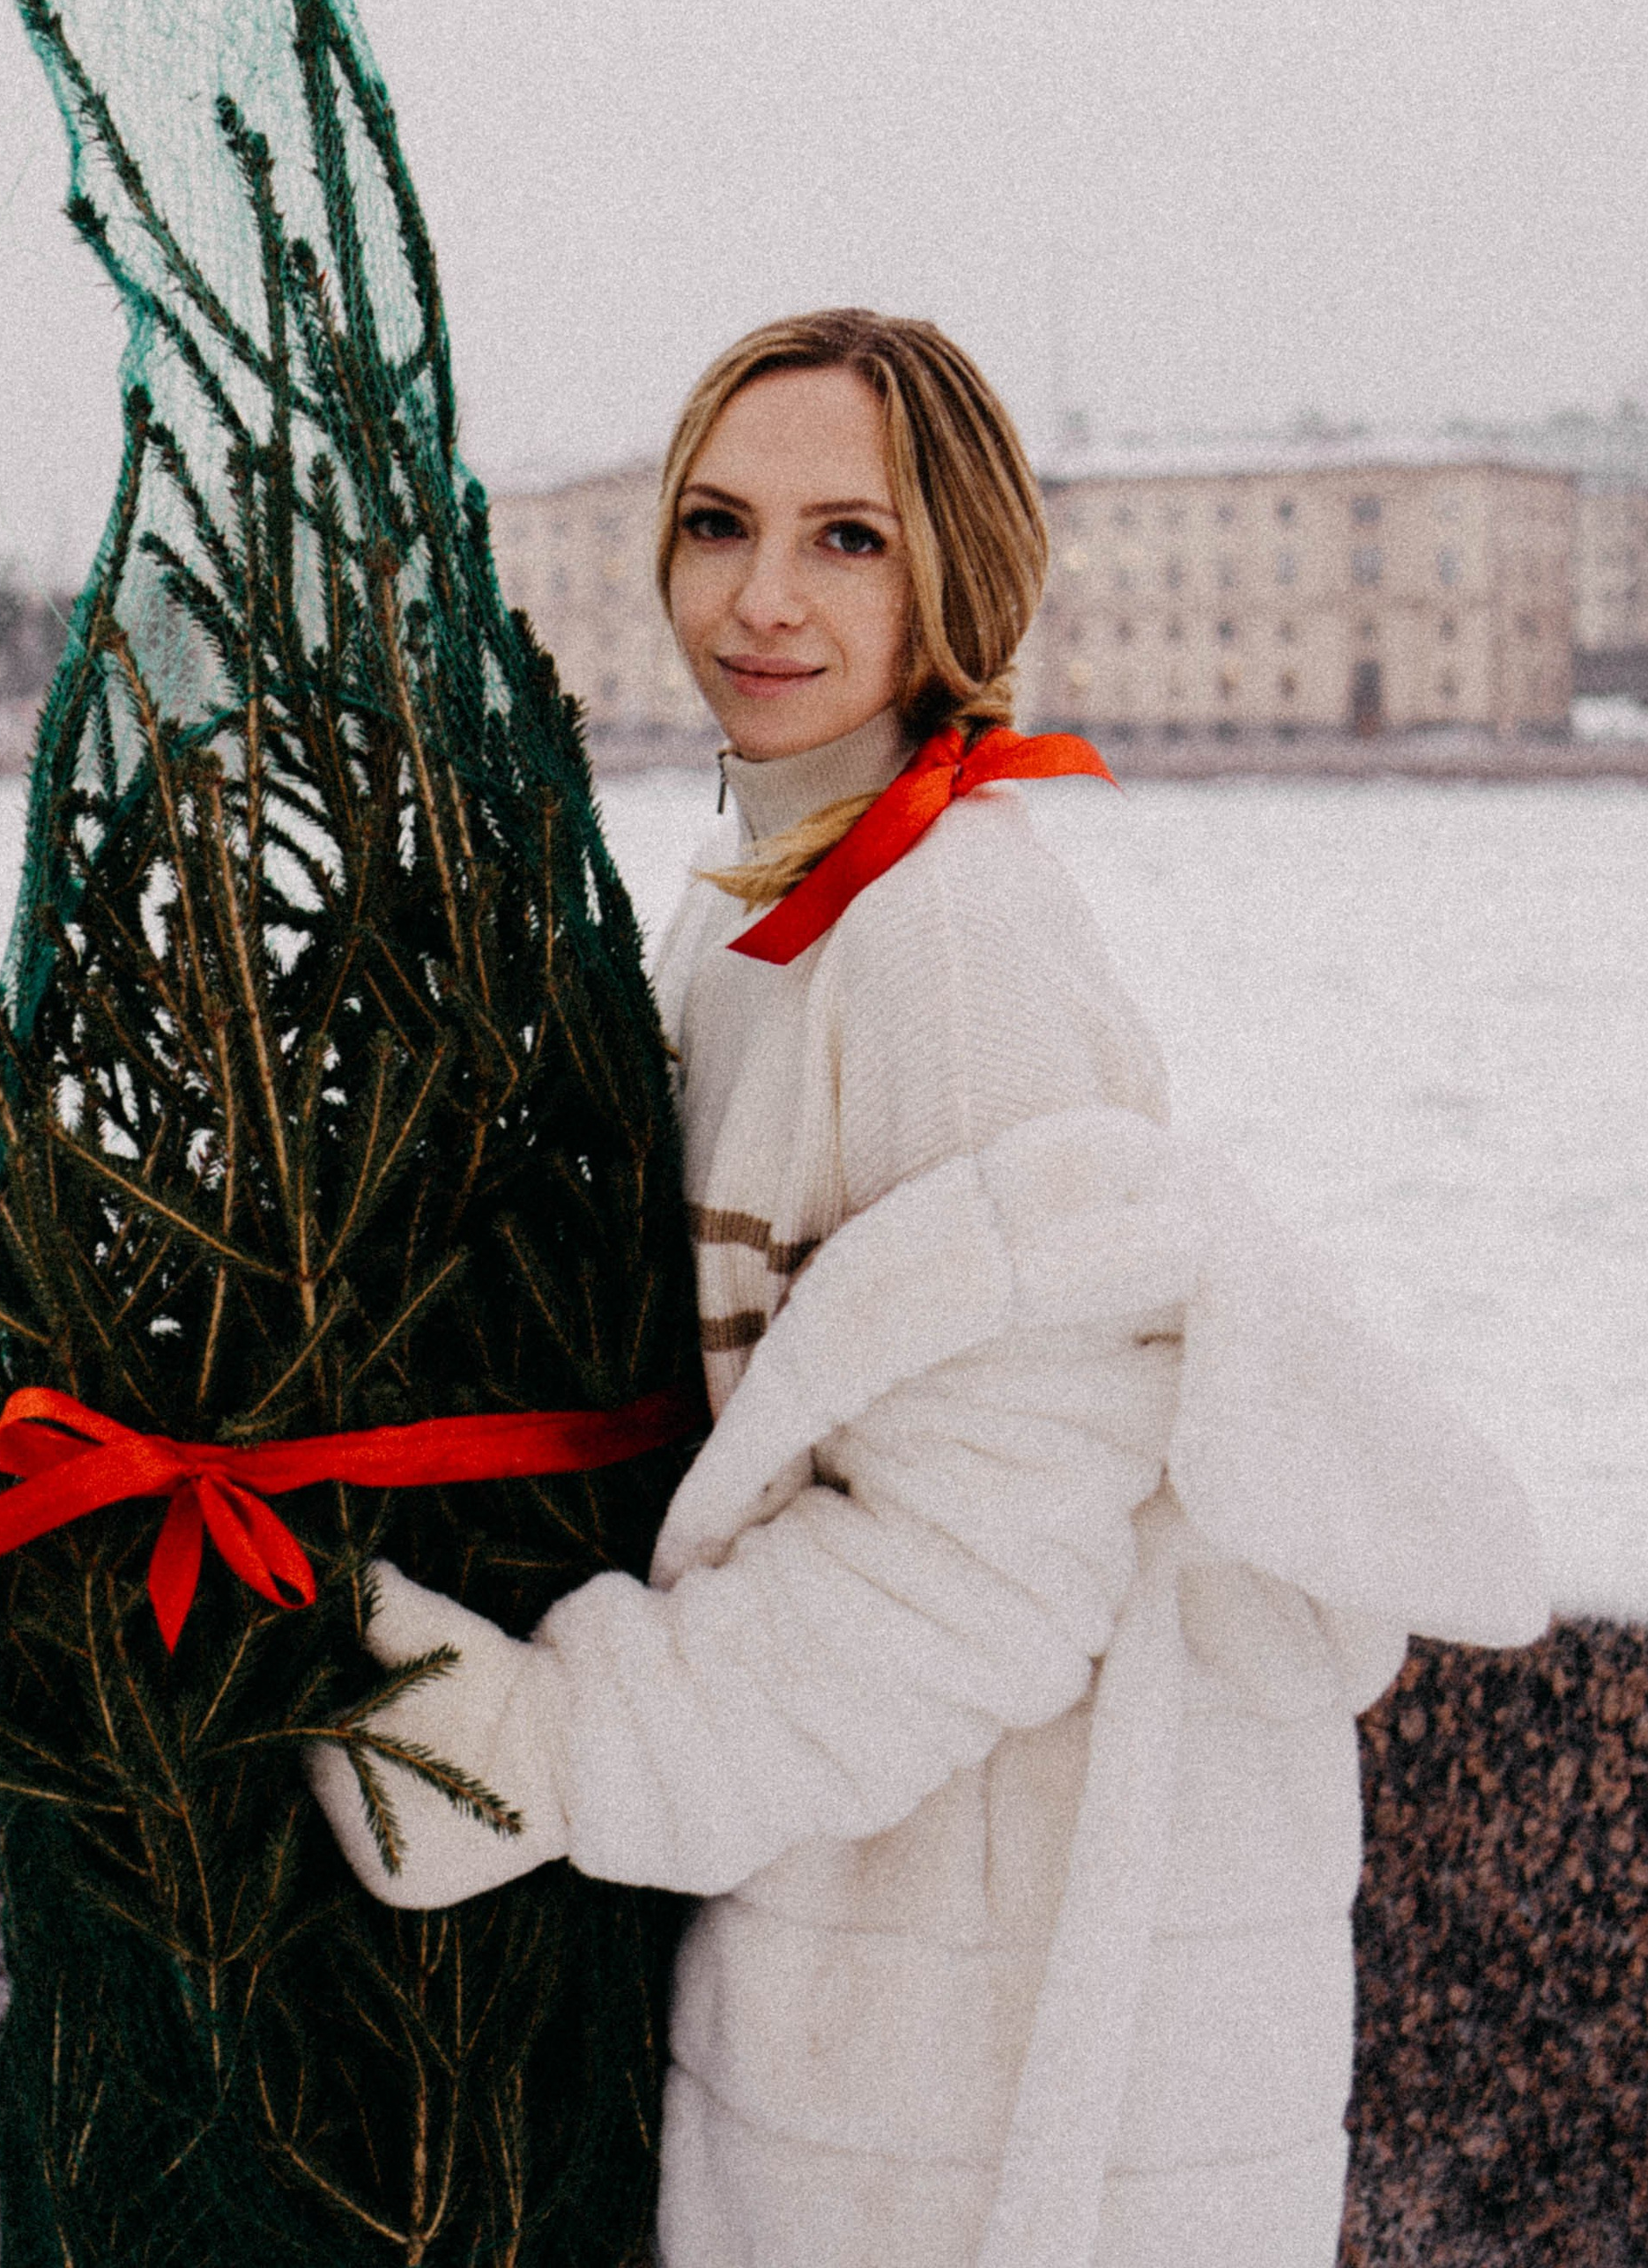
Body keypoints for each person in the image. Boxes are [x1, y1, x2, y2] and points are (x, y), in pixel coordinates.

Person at [309, 308, 1547, 2268]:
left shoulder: (940, 935)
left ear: (953, 574)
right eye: (716, 524)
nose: (760, 599)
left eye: (846, 540)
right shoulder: (771, 886)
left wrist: (546, 1751)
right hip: (904, 1918)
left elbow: (981, 1566)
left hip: (989, 1999)